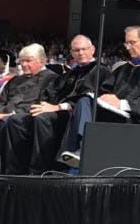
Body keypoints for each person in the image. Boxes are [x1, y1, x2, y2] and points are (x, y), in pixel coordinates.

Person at [59, 26, 140, 167]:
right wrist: (102, 97)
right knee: (85, 101)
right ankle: (79, 150)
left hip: (136, 118)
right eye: (126, 43)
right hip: (113, 113)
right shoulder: (124, 68)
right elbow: (105, 89)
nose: (128, 47)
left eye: (132, 42)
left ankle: (84, 151)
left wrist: (122, 103)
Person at [15, 35, 106, 173]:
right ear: (71, 52)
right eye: (76, 50)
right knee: (16, 120)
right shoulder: (70, 74)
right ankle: (15, 169)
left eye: (84, 49)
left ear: (93, 49)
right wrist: (42, 106)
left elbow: (89, 99)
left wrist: (57, 107)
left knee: (42, 118)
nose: (80, 53)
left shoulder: (101, 71)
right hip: (59, 110)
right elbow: (52, 93)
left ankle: (40, 170)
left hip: (77, 114)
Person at [0, 44, 60, 174]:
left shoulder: (51, 79)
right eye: (21, 61)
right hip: (4, 117)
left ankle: (11, 171)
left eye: (28, 61)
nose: (23, 64)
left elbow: (41, 104)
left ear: (42, 61)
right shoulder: (15, 80)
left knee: (9, 122)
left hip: (28, 118)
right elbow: (1, 101)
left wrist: (7, 115)